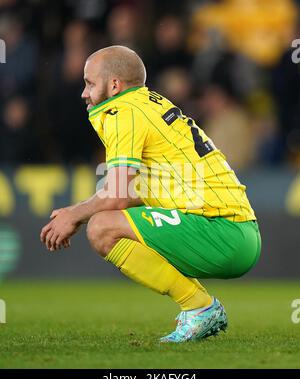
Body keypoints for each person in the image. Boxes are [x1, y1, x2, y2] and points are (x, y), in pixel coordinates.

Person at [40, 46, 261, 343]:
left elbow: (117, 196)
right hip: (236, 231)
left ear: (115, 85)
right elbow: (134, 193)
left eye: (90, 83)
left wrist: (73, 214)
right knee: (104, 221)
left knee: (102, 228)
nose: (84, 93)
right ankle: (199, 307)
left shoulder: (125, 112)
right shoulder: (148, 104)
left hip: (222, 231)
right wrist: (78, 215)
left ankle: (199, 308)